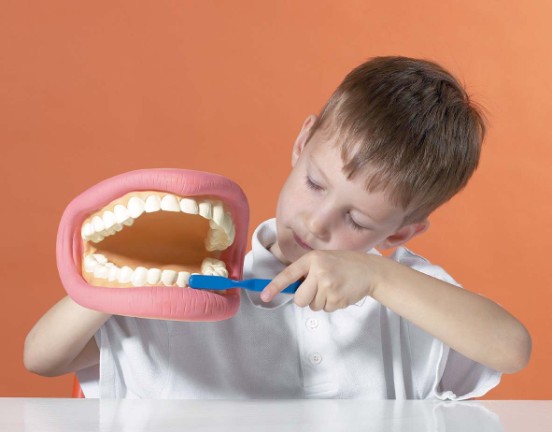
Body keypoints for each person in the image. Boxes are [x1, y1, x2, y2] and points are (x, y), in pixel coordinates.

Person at [24, 56, 531, 399]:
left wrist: (378, 279)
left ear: (399, 234)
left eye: (356, 219)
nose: (317, 221)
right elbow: (42, 358)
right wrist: (128, 269)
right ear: (302, 141)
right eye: (314, 182)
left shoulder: (411, 300)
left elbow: (511, 348)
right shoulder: (197, 274)